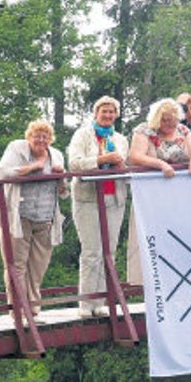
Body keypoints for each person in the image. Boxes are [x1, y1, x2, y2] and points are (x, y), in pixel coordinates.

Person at [125, 99, 191, 284]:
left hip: (181, 197)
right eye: (165, 120)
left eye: (173, 120)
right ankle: (150, 285)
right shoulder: (144, 130)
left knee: (180, 240)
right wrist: (160, 164)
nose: (170, 125)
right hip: (152, 197)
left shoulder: (184, 131)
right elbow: (135, 156)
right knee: (153, 241)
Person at [0, 120, 66, 319]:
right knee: (16, 265)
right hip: (18, 216)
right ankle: (17, 309)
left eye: (45, 136)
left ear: (50, 139)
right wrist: (32, 167)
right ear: (29, 136)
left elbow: (63, 191)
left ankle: (33, 307)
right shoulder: (17, 148)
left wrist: (62, 176)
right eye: (37, 135)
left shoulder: (57, 154)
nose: (41, 139)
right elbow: (3, 172)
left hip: (45, 217)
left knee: (38, 265)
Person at [67, 96, 130, 318]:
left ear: (117, 115)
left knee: (109, 252)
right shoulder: (83, 135)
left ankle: (100, 301)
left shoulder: (120, 139)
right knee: (91, 252)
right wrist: (102, 158)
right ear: (96, 113)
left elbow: (127, 169)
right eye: (104, 111)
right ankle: (86, 304)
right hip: (88, 199)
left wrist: (121, 163)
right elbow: (74, 163)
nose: (108, 115)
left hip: (114, 198)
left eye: (112, 112)